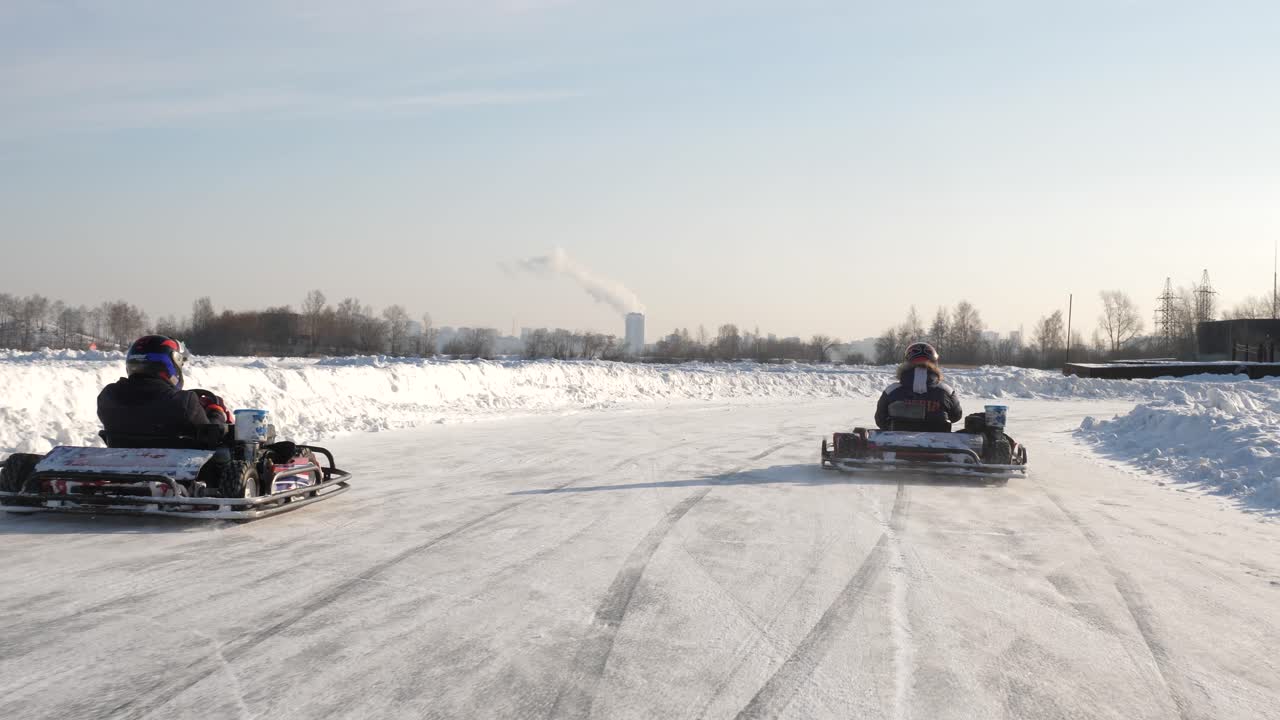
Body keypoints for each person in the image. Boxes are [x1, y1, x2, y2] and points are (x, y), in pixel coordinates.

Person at [97, 335, 230, 446]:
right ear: (170, 364)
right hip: (175, 472)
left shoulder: (108, 396)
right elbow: (211, 437)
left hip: (122, 467)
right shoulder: (185, 403)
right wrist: (216, 412)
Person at [874, 342, 963, 432]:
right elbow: (956, 415)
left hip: (897, 444)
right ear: (934, 364)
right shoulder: (946, 391)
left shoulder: (891, 391)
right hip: (939, 444)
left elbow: (880, 420)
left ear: (907, 362)